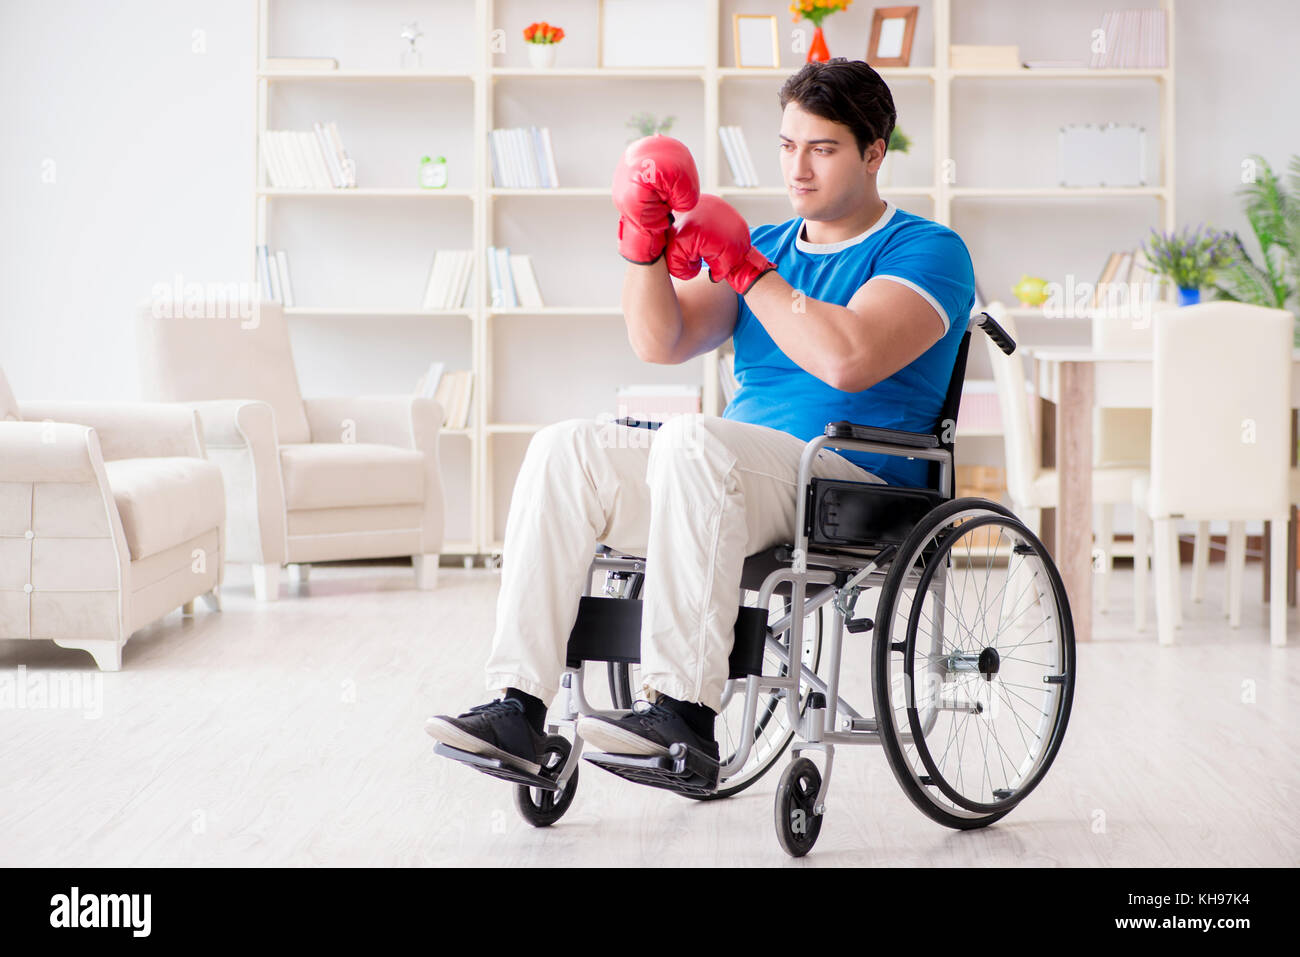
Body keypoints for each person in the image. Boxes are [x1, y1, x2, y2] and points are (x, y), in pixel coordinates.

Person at [425, 57, 975, 780]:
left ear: (875, 153)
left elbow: (849, 358)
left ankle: (683, 714)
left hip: (851, 482)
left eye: (823, 148)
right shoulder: (772, 246)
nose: (798, 169)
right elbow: (662, 341)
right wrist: (644, 241)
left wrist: (749, 273)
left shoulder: (929, 249)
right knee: (565, 448)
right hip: (726, 477)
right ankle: (518, 708)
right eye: (786, 146)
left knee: (694, 437)